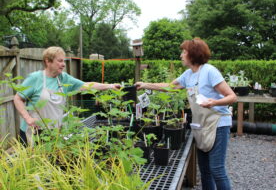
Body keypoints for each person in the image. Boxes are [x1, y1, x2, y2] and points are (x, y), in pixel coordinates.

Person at [135, 37, 237, 190]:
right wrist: (145, 84)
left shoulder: (209, 71)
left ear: (193, 54)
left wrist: (213, 102)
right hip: (201, 125)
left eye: (184, 52)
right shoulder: (188, 75)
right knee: (205, 171)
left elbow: (232, 97)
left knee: (217, 169)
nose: (181, 55)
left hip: (217, 124)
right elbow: (170, 86)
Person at [14, 46, 120, 146]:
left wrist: (110, 86)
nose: (63, 64)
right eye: (60, 61)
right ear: (48, 61)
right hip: (33, 133)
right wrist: (27, 118)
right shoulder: (35, 78)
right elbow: (17, 98)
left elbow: (86, 85)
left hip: (54, 134)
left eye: (63, 61)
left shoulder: (64, 79)